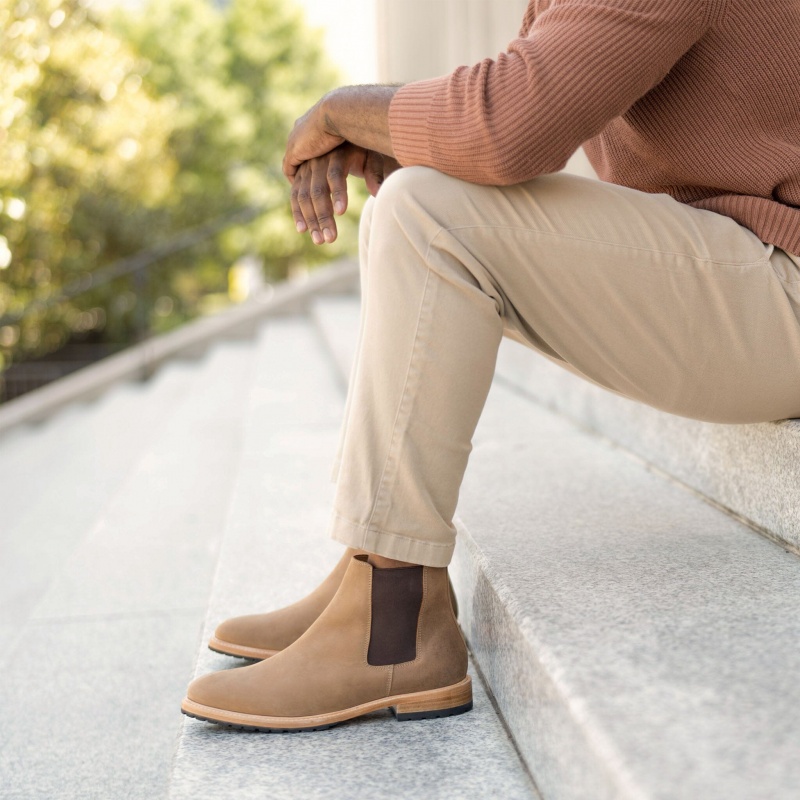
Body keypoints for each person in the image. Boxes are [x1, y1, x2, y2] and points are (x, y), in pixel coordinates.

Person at [181, 0, 800, 731]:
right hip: (752, 274)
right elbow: (516, 100)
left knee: (429, 210)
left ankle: (392, 627)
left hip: (781, 281)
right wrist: (404, 135)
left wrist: (343, 111)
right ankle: (374, 575)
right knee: (408, 203)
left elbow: (506, 124)